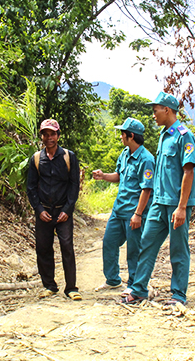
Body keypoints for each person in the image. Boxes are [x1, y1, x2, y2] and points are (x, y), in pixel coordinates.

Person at [121, 92, 195, 307]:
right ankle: (138, 290)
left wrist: (182, 207)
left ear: (167, 110)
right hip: (158, 203)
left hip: (176, 204)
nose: (153, 115)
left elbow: (188, 172)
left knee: (178, 249)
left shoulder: (184, 136)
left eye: (155, 110)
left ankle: (178, 295)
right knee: (146, 243)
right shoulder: (164, 136)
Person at [92, 118, 154, 296]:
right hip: (118, 210)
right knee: (109, 243)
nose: (120, 136)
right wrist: (103, 176)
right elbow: (119, 176)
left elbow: (147, 189)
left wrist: (138, 214)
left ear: (131, 135)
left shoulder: (146, 159)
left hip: (133, 214)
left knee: (134, 250)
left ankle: (134, 284)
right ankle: (112, 280)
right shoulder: (125, 154)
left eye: (122, 133)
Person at [27, 119, 82, 300]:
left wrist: (67, 209)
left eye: (52, 134)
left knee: (67, 246)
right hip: (44, 212)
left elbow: (74, 186)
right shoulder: (36, 158)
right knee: (43, 248)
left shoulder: (69, 157)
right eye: (45, 134)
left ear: (58, 136)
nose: (49, 137)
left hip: (63, 211)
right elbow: (31, 187)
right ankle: (49, 285)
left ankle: (71, 288)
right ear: (42, 136)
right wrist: (38, 209)